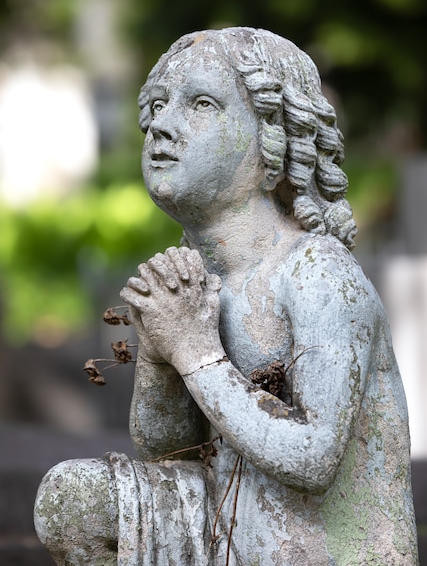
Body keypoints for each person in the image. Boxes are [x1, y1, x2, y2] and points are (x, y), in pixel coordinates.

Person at [34, 28, 419, 565]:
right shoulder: (193, 280)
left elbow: (313, 460)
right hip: (231, 527)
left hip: (324, 549)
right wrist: (160, 355)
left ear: (272, 142)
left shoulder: (317, 273)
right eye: (159, 107)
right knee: (72, 501)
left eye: (202, 104)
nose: (163, 127)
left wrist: (193, 351)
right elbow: (165, 448)